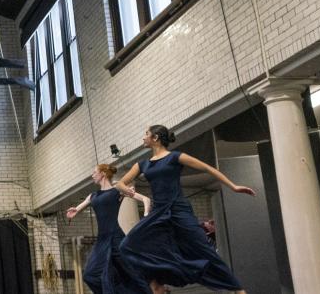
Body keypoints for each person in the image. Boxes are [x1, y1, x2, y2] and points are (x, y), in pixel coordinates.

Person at [116, 125, 255, 294]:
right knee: (127, 245)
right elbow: (120, 183)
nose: (143, 138)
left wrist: (233, 186)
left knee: (204, 249)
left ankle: (238, 289)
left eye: (146, 134)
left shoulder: (175, 157)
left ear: (155, 138)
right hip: (158, 213)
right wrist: (127, 190)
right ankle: (158, 285)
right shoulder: (142, 164)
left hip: (179, 210)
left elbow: (207, 168)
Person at [64, 164, 152, 294]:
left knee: (132, 274)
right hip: (102, 241)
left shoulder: (117, 190)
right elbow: (77, 209)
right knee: (89, 276)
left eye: (94, 172)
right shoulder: (92, 196)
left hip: (116, 238)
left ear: (103, 174)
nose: (92, 175)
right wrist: (74, 211)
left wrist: (145, 215)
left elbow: (146, 199)